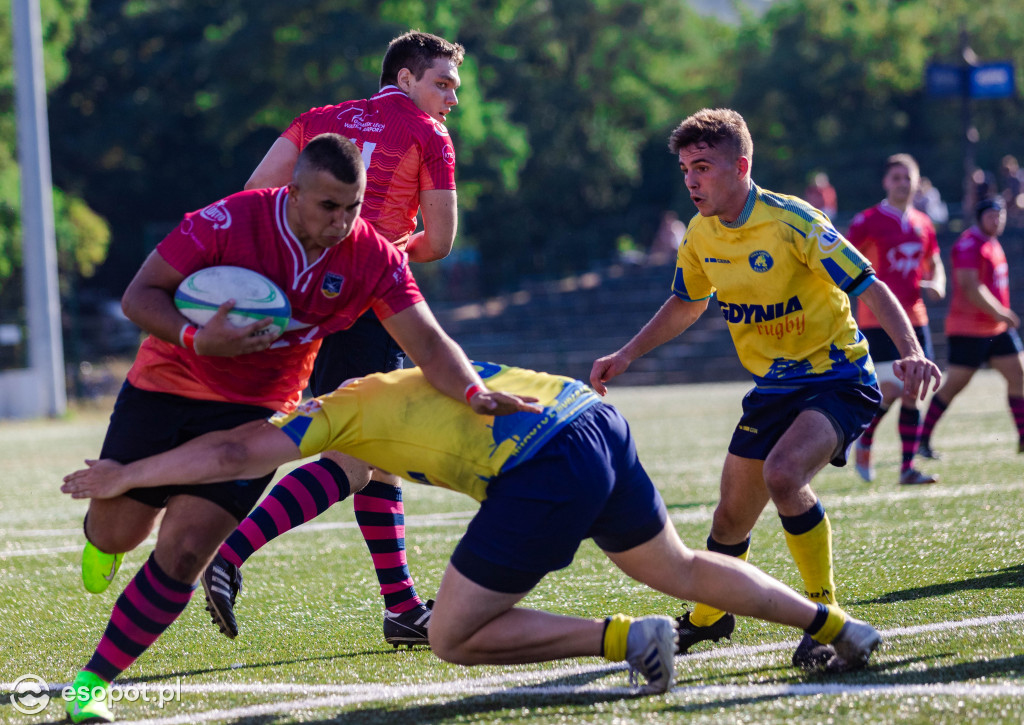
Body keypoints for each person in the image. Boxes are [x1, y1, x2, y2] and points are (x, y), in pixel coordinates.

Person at [62, 362, 883, 715]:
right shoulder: (394, 385)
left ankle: (630, 639)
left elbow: (237, 452)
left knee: (451, 636)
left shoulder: (338, 411)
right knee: (675, 564)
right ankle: (836, 624)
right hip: (592, 419)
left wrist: (127, 477)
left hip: (546, 457)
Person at [64, 133, 538, 724]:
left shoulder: (373, 256)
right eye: (328, 206)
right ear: (292, 193)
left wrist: (475, 393)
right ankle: (102, 538)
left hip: (257, 409)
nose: (342, 221)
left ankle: (91, 685)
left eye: (354, 207)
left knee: (185, 550)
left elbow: (428, 341)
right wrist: (198, 338)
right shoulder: (227, 221)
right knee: (116, 534)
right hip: (166, 388)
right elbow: (139, 296)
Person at [590, 108, 939, 669]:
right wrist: (628, 353)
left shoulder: (794, 222)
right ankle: (710, 617)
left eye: (702, 167)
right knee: (729, 519)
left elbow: (868, 284)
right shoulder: (701, 235)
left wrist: (912, 351)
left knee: (783, 474)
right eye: (685, 169)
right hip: (773, 388)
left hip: (838, 377)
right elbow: (687, 302)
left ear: (741, 166)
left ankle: (826, 619)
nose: (692, 180)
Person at [205, 30, 464, 648]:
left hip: (301, 296)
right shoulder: (430, 136)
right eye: (443, 83)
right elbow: (441, 240)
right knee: (353, 458)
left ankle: (402, 608)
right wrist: (392, 247)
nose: (452, 98)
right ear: (404, 78)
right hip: (370, 302)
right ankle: (228, 554)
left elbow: (253, 195)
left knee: (379, 459)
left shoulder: (319, 121)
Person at [847, 154, 946, 485]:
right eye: (896, 178)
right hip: (878, 318)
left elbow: (934, 261)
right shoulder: (867, 221)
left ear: (917, 182)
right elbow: (846, 260)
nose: (903, 183)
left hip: (915, 317)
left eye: (908, 177)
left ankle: (906, 468)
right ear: (886, 183)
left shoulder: (923, 223)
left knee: (913, 390)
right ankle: (865, 437)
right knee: (888, 388)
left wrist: (939, 285)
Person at [919, 196, 1024, 457]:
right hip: (969, 329)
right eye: (991, 216)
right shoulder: (969, 243)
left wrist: (999, 318)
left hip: (997, 330)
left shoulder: (992, 242)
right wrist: (1000, 312)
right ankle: (921, 441)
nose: (996, 221)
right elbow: (970, 285)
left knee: (1019, 377)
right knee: (954, 385)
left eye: (999, 216)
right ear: (979, 218)